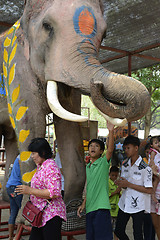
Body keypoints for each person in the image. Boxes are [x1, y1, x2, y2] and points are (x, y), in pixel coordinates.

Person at [15, 138, 66, 240]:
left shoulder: (50, 167)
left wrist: (29, 190)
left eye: (34, 153)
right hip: (40, 214)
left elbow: (54, 192)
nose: (32, 156)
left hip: (51, 215)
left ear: (43, 152)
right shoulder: (41, 166)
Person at [77, 121, 115, 240]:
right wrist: (83, 204)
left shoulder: (103, 163)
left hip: (101, 208)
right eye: (91, 146)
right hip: (90, 208)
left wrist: (111, 130)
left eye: (96, 146)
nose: (93, 147)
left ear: (100, 151)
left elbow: (110, 150)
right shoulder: (88, 167)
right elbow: (90, 187)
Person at [114, 135, 153, 240]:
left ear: (136, 148)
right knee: (118, 231)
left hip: (138, 205)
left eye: (128, 148)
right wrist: (120, 184)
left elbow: (149, 190)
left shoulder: (146, 168)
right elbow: (125, 183)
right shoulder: (125, 164)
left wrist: (128, 185)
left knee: (138, 234)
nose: (126, 151)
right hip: (124, 203)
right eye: (125, 148)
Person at [6, 155, 23, 240]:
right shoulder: (25, 157)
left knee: (13, 212)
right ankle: (17, 237)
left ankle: (10, 236)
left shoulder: (18, 156)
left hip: (10, 187)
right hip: (17, 187)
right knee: (22, 213)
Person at [142, 143, 155, 240]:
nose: (148, 154)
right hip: (145, 198)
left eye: (150, 152)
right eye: (147, 152)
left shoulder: (156, 163)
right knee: (147, 223)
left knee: (154, 224)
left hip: (154, 197)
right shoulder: (142, 163)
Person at [148, 136, 160, 239]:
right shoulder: (153, 152)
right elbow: (151, 161)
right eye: (156, 142)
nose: (158, 144)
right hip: (154, 173)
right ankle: (152, 194)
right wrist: (152, 167)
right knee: (156, 225)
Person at [109, 166, 121, 240]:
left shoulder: (118, 183)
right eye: (113, 175)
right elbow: (106, 195)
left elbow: (120, 195)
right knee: (109, 229)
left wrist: (119, 193)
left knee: (117, 230)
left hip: (117, 210)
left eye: (116, 176)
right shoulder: (107, 183)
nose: (114, 177)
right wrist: (115, 192)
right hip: (110, 211)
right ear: (109, 174)